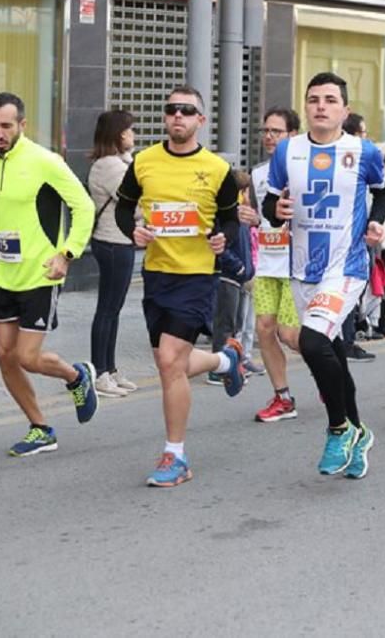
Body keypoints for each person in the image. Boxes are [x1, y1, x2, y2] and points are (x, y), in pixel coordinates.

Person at [262, 71, 385, 480]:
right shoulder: (287, 151)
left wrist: (376, 221)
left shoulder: (365, 151)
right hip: (303, 269)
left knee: (312, 340)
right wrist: (277, 212)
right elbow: (271, 204)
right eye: (314, 99)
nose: (321, 106)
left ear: (345, 110)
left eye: (330, 100)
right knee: (332, 354)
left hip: (346, 266)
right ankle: (359, 431)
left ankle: (338, 428)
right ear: (306, 107)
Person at [115, 85, 246, 487]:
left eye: (187, 111)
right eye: (171, 109)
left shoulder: (218, 170)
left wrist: (222, 239)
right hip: (156, 274)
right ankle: (225, 361)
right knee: (169, 363)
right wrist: (133, 231)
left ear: (200, 121)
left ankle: (176, 455)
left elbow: (230, 220)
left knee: (171, 360)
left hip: (197, 276)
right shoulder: (143, 162)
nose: (178, 116)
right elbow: (123, 208)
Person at [0, 92, 99, 455]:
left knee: (28, 357)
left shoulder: (44, 160)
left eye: (6, 125)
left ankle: (77, 376)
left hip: (42, 273)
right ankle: (40, 427)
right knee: (5, 355)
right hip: (6, 274)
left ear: (23, 124)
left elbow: (83, 205)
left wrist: (67, 254)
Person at [251, 107, 302, 422]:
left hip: (296, 265)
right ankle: (283, 398)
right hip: (267, 264)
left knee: (290, 335)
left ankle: (329, 369)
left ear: (292, 135)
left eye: (276, 131)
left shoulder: (304, 170)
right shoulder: (258, 173)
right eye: (265, 131)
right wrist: (251, 218)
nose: (269, 137)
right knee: (265, 331)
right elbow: (263, 218)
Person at [87, 109, 139, 398]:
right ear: (120, 134)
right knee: (107, 308)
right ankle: (100, 372)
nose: (134, 135)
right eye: (130, 130)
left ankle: (111, 368)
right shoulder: (110, 166)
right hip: (112, 242)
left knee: (113, 308)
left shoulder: (117, 162)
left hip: (118, 241)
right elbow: (134, 200)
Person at [206, 169, 256, 385]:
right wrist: (237, 267)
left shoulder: (240, 213)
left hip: (237, 276)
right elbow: (219, 247)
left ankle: (231, 364)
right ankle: (218, 367)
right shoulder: (225, 214)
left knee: (234, 323)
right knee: (224, 324)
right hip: (227, 276)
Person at [338, 113, 377, 362]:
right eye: (363, 133)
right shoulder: (348, 161)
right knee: (347, 294)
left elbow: (381, 190)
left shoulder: (366, 158)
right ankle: (345, 343)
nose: (366, 137)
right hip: (348, 240)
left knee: (357, 292)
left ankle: (349, 338)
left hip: (364, 234)